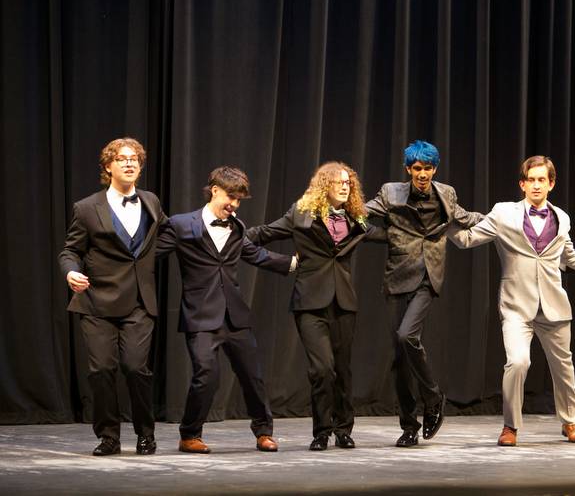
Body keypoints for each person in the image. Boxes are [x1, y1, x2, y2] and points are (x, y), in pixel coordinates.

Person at [448, 155, 575, 446]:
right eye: (531, 180)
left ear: (551, 183)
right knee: (518, 362)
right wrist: (441, 222)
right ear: (522, 184)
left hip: (554, 305)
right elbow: (468, 238)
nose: (536, 185)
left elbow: (569, 256)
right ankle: (510, 426)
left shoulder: (562, 217)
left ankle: (570, 422)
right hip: (516, 305)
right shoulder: (504, 213)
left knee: (564, 367)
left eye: (542, 180)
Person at [246, 162, 385, 451]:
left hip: (344, 302)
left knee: (343, 370)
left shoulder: (356, 219)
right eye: (339, 182)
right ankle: (322, 431)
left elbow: (382, 236)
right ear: (325, 186)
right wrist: (235, 239)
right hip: (309, 302)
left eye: (348, 182)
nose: (345, 186)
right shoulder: (301, 214)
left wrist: (417, 236)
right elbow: (261, 233)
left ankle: (343, 430)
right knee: (322, 369)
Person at [157, 166, 293, 453]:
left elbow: (255, 254)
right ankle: (189, 435)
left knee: (252, 375)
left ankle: (263, 432)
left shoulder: (237, 226)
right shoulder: (182, 224)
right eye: (231, 196)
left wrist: (294, 263)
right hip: (200, 314)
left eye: (239, 200)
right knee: (206, 373)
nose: (234, 204)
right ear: (214, 189)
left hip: (235, 315)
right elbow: (152, 253)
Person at [365, 140, 483, 447]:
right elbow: (361, 217)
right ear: (408, 169)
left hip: (428, 276)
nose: (423, 174)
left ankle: (433, 397)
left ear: (435, 169)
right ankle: (409, 426)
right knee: (399, 358)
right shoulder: (391, 192)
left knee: (407, 337)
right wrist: (389, 236)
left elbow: (465, 217)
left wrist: (505, 221)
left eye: (428, 168)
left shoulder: (446, 193)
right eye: (417, 168)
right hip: (397, 276)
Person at [59, 137, 166, 456]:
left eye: (135, 159)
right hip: (97, 302)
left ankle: (146, 433)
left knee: (136, 368)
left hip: (138, 302)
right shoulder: (87, 207)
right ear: (108, 166)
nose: (130, 163)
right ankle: (108, 437)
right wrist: (70, 272)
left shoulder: (151, 201)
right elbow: (70, 250)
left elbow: (166, 233)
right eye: (122, 159)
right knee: (102, 370)